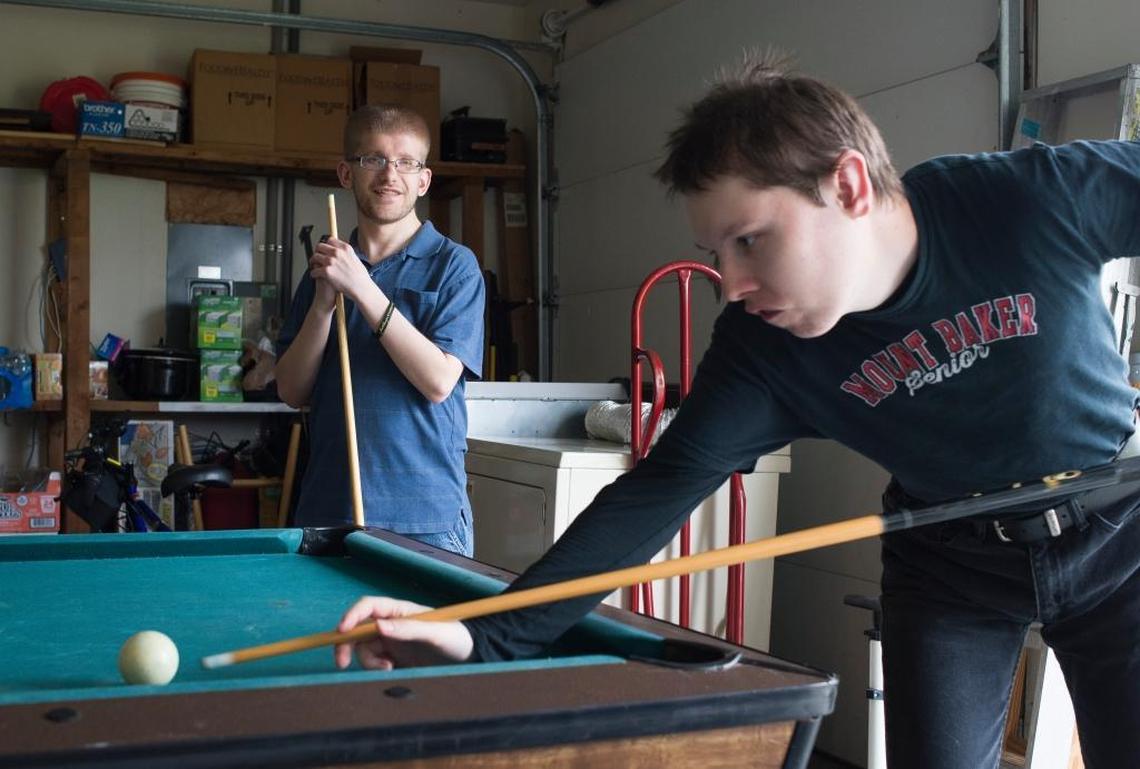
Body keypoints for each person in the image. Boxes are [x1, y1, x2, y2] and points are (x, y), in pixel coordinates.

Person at [332, 53, 1140, 769]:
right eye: (714, 255)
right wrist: (484, 630)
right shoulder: (763, 347)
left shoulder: (1025, 200)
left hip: (1120, 539)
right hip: (947, 565)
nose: (732, 282)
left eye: (749, 241)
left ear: (848, 185)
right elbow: (654, 494)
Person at [276, 104, 485, 557]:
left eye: (406, 162)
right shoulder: (326, 268)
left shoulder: (455, 267)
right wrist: (322, 308)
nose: (390, 174)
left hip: (425, 519)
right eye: (373, 159)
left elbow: (437, 381)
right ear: (347, 173)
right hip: (329, 513)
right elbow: (292, 391)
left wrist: (363, 290)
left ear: (423, 180)